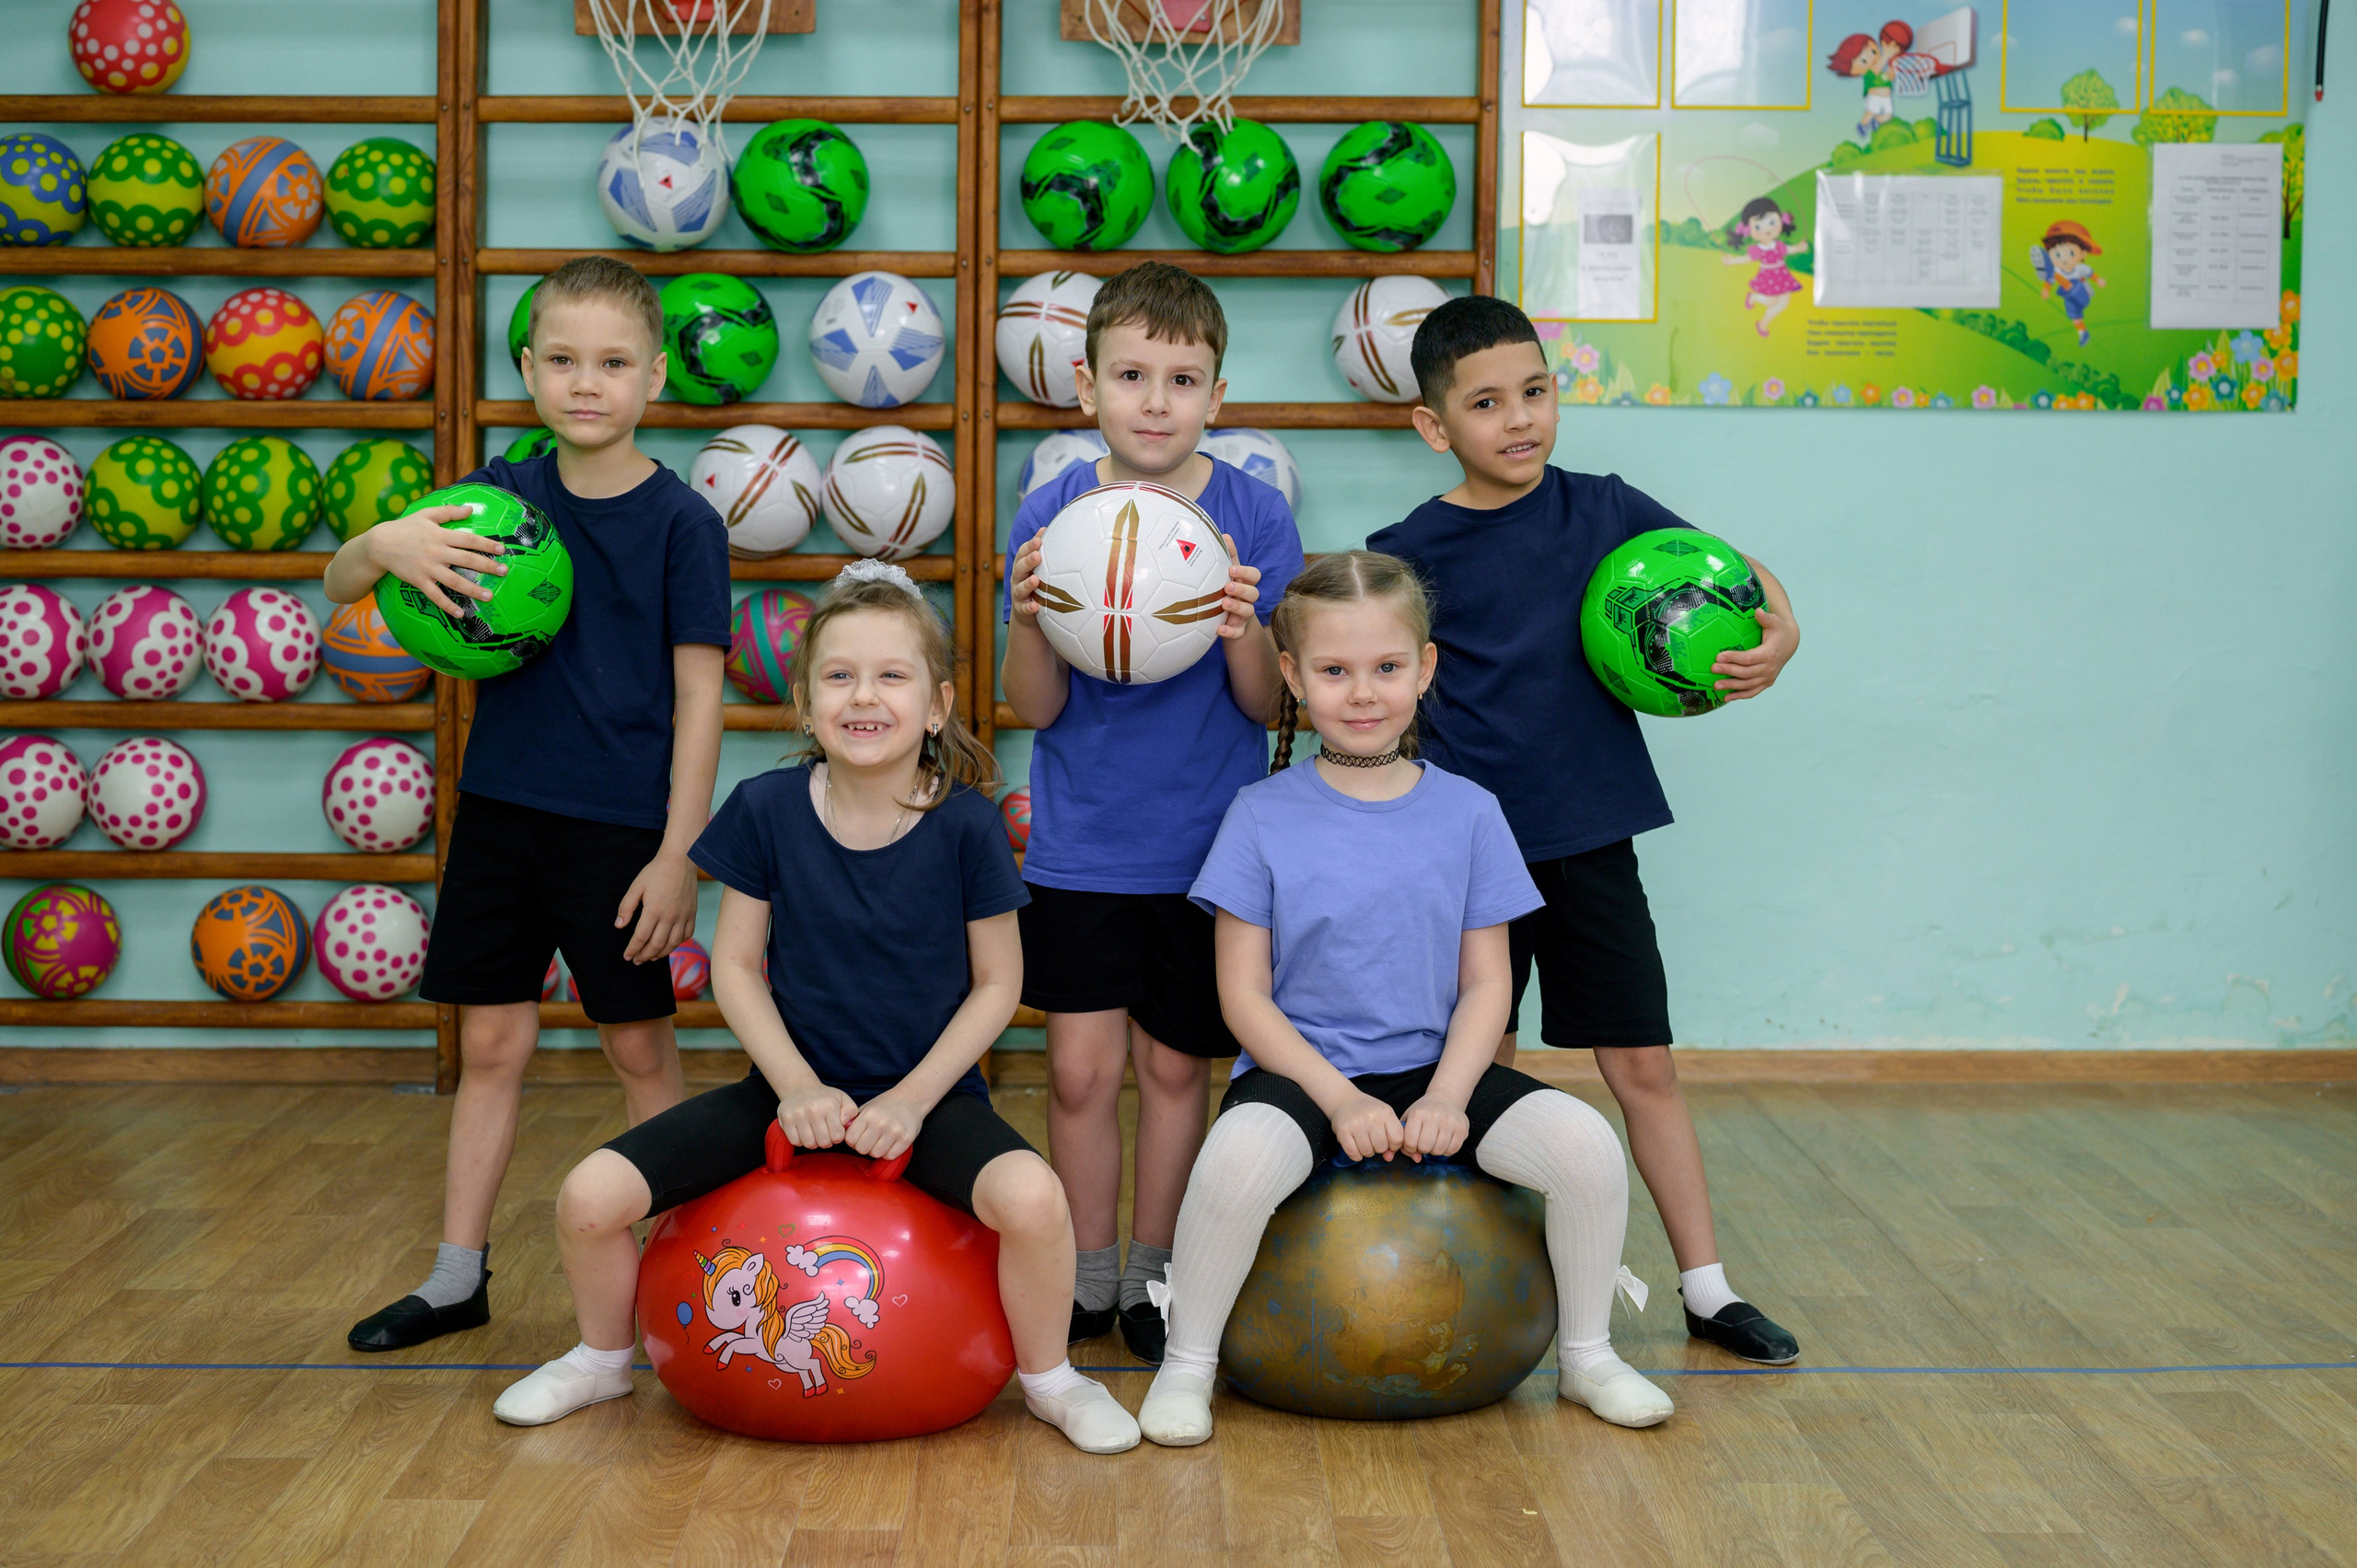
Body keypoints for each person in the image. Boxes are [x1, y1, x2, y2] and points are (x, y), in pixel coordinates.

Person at [490, 564, 1141, 1455]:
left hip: (932, 1101)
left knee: (1034, 1201)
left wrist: (911, 1102)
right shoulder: (765, 808)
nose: (863, 696)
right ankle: (603, 1359)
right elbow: (737, 966)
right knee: (590, 1195)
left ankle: (1051, 1380)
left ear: (939, 704)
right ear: (803, 703)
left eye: (891, 675)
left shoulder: (967, 824)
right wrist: (795, 1086)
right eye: (839, 677)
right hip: (784, 1096)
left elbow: (998, 986)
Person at [1135, 552, 1673, 1446]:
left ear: (1424, 669)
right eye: (1335, 670)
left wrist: (1449, 1095)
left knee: (1585, 1145)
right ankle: (1187, 1364)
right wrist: (1338, 1095)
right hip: (1300, 1070)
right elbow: (1244, 997)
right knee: (1230, 1161)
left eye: (1386, 667)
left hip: (1433, 1065)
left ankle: (1586, 1355)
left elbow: (1486, 985)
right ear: (1294, 676)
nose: (1362, 691)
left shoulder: (1468, 811)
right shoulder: (1259, 814)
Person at [1368, 294, 1805, 1366]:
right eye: (1485, 403)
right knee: (1478, 1068)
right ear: (1435, 426)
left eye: (1535, 391)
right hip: (1467, 861)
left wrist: (1781, 629)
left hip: (1590, 837)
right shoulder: (1403, 549)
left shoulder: (1604, 508)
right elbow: (1365, 683)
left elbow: (1735, 574)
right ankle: (1481, 1277)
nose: (1519, 419)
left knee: (1642, 1063)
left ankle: (1706, 1287)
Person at [332, 255, 728, 1352]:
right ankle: (457, 1275)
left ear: (654, 376)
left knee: (641, 1052)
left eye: (611, 362)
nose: (585, 382)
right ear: (527, 369)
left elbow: (702, 698)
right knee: (491, 1043)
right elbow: (342, 585)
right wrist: (384, 542)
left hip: (619, 833)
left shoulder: (682, 524)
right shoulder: (492, 496)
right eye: (561, 360)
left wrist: (679, 852)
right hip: (499, 812)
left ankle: (683, 1269)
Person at [1001, 261, 1305, 1364]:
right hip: (1083, 842)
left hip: (1210, 847)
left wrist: (1240, 623)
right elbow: (1029, 704)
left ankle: (1157, 1265)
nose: (1156, 399)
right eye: (1132, 374)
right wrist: (1029, 614)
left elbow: (1272, 706)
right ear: (1087, 387)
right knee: (1080, 1071)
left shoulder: (1254, 511)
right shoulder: (1050, 510)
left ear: (1216, 395)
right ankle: (1084, 1267)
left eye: (1183, 378)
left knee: (1178, 1067)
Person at [1722, 197, 1808, 336]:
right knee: (1774, 301)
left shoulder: (1779, 245)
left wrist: (1799, 248)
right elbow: (1747, 258)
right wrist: (1731, 261)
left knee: (1781, 303)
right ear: (1748, 230)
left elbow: (1788, 250)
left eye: (1772, 222)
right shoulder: (1758, 249)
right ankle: (1755, 299)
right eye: (1758, 227)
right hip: (1768, 277)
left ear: (1781, 220)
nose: (1767, 230)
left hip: (1782, 276)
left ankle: (1762, 323)